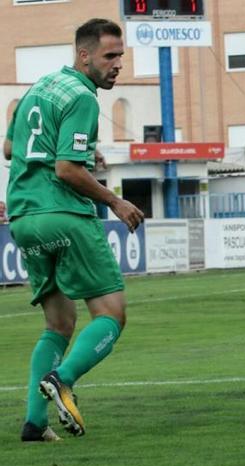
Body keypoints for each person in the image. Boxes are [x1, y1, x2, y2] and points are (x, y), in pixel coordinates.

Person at [4, 19, 144, 442]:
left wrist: (73, 147)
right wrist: (115, 201)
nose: (118, 64)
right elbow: (66, 170)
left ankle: (34, 421)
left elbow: (10, 147)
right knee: (111, 314)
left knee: (59, 324)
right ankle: (63, 380)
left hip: (25, 220)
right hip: (63, 214)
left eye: (121, 56)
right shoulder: (83, 96)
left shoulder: (41, 87)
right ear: (84, 56)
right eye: (110, 56)